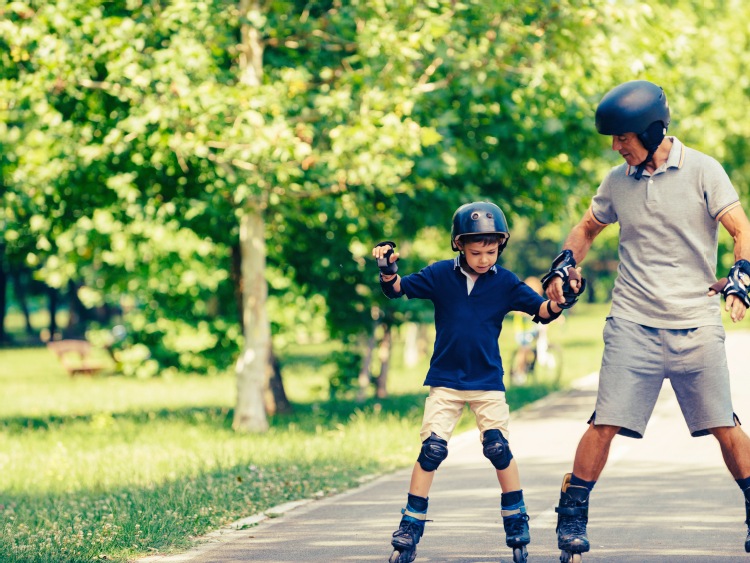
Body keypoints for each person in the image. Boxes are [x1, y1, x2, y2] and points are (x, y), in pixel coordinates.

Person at [542, 79, 750, 561]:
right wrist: (564, 262)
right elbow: (587, 227)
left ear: (653, 131)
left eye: (623, 138)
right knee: (604, 423)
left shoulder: (703, 170)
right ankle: (571, 518)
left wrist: (741, 275)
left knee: (724, 425)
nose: (617, 147)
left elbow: (740, 228)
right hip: (632, 322)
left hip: (695, 321)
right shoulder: (617, 181)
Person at [372, 201, 582, 563]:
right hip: (446, 380)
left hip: (487, 381)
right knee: (432, 450)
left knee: (498, 448)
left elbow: (542, 312)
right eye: (475, 251)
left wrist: (564, 299)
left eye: (491, 250)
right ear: (458, 245)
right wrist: (388, 269)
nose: (484, 258)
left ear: (500, 246)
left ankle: (516, 523)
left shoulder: (505, 282)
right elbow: (397, 290)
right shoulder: (440, 275)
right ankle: (410, 525)